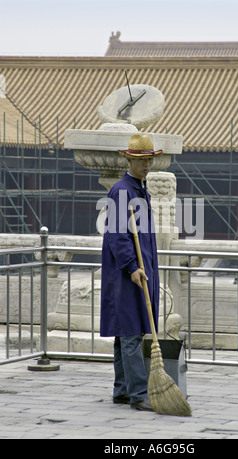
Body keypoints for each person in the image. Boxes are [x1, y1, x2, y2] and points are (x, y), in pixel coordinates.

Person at [100, 134, 162, 411]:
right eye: (142, 161)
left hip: (141, 268)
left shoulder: (139, 189)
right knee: (131, 332)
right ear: (129, 159)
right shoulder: (122, 190)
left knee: (125, 332)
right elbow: (117, 234)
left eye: (149, 160)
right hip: (126, 272)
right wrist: (132, 266)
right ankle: (138, 393)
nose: (147, 165)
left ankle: (122, 390)